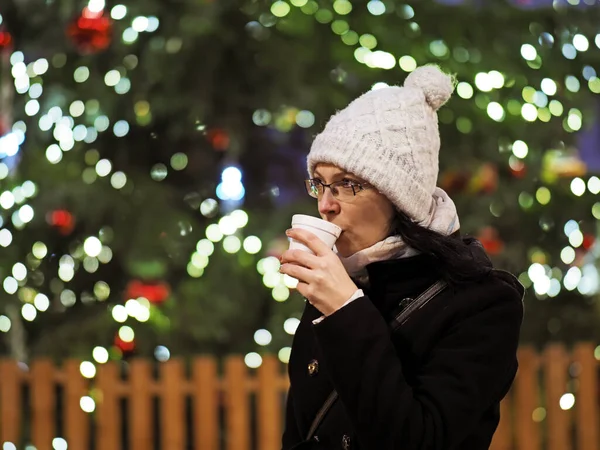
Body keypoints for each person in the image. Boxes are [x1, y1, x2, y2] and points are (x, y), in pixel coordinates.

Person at [279, 65, 524, 450]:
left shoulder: (483, 302)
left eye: (347, 184)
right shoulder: (345, 277)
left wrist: (346, 310)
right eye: (320, 183)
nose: (325, 205)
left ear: (400, 198)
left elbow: (417, 439)